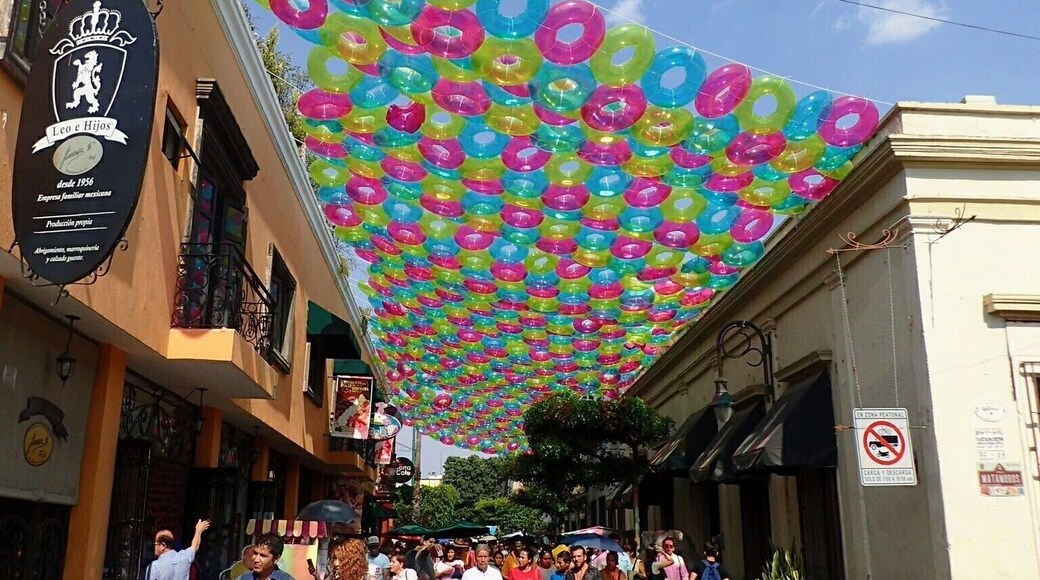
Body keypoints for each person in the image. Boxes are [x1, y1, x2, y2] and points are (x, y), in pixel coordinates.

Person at [147, 519, 211, 580]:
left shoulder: (154, 566)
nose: (154, 546)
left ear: (163, 545)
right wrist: (198, 531)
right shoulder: (184, 556)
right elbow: (195, 546)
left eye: (155, 543)